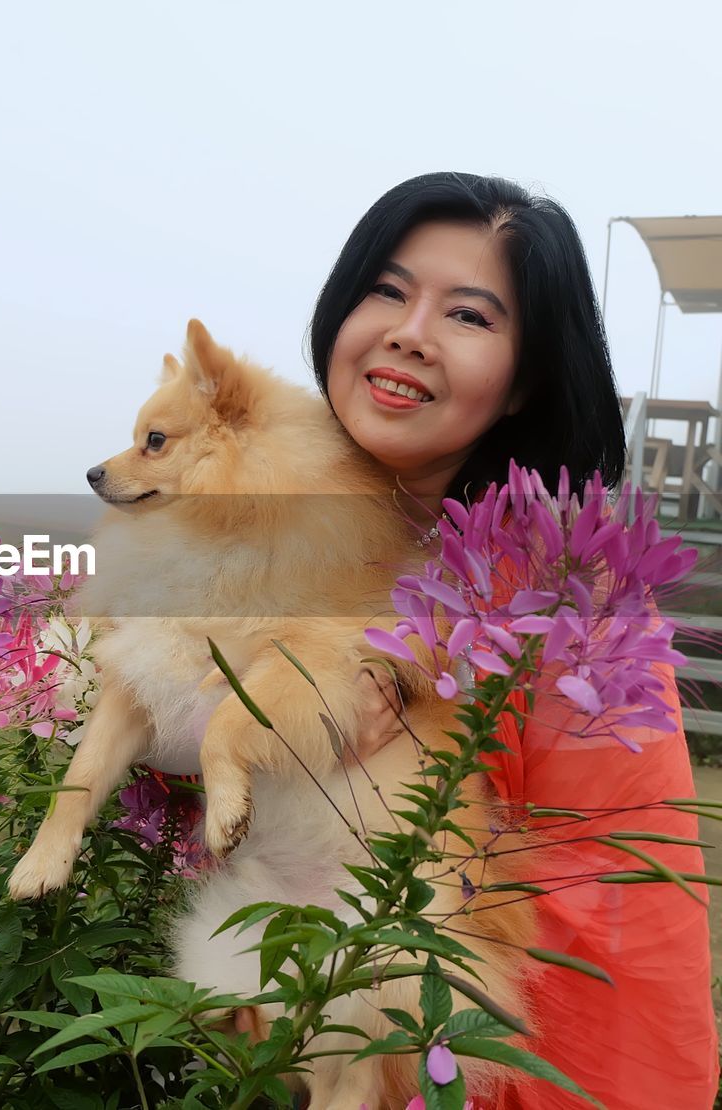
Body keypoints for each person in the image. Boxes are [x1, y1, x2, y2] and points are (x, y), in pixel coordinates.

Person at [304, 171, 718, 1108]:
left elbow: (608, 909)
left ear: (526, 379)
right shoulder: (263, 525)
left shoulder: (578, 590)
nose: (410, 331)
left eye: (470, 316)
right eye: (388, 290)